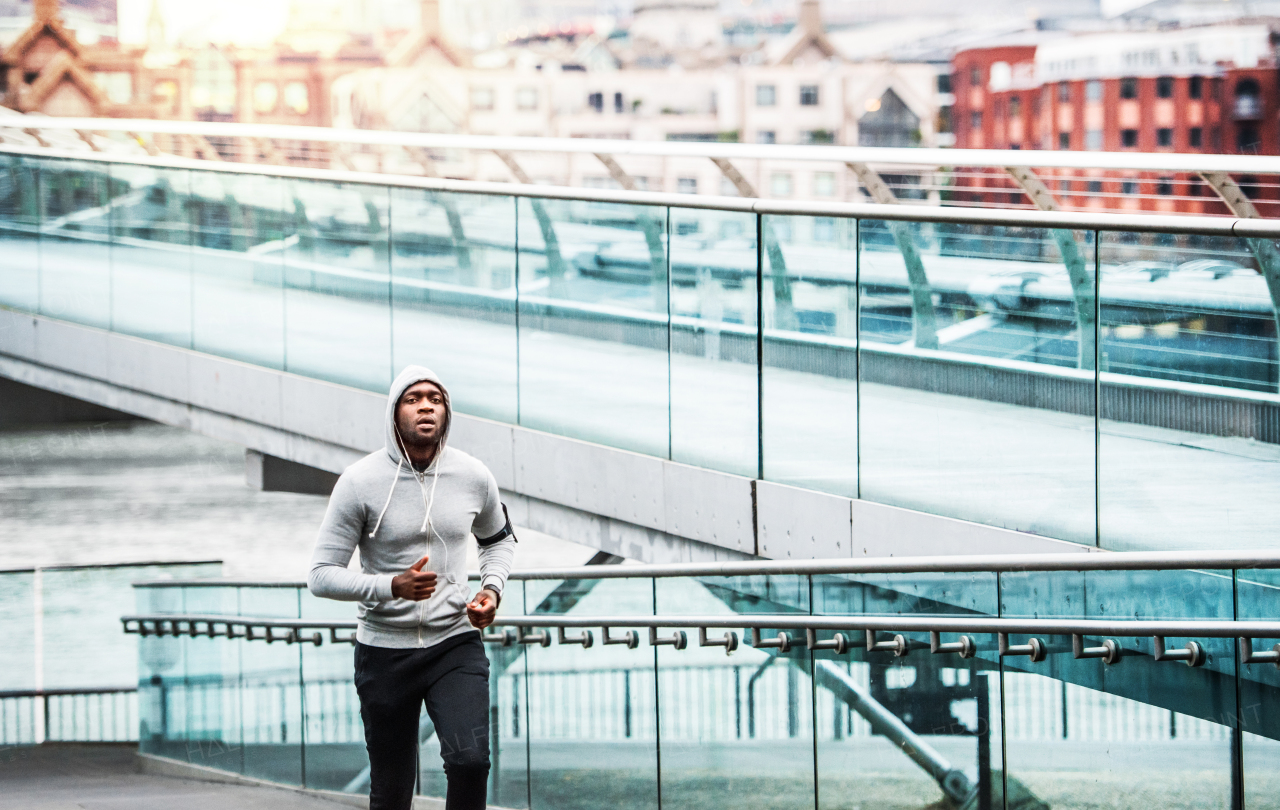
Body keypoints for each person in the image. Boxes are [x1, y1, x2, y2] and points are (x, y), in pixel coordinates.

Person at [309, 365, 516, 810]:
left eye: (435, 398)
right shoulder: (359, 482)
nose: (426, 405)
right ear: (394, 412)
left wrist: (492, 591)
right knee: (391, 787)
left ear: (446, 411)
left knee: (470, 762)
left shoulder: (473, 475)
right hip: (384, 651)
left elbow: (498, 543)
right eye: (414, 398)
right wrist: (390, 587)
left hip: (454, 643)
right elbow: (321, 574)